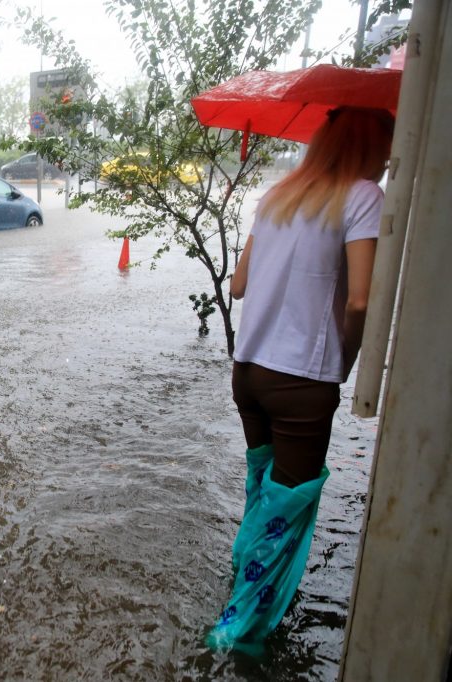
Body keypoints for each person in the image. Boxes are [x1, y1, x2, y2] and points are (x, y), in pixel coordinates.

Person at [207, 106, 395, 651]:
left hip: (249, 373)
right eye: (385, 147)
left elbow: (239, 286)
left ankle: (241, 578)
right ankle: (236, 637)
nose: (386, 160)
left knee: (262, 492)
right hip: (301, 383)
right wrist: (347, 359)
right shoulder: (362, 197)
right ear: (367, 146)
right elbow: (360, 300)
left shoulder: (277, 196)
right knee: (285, 513)